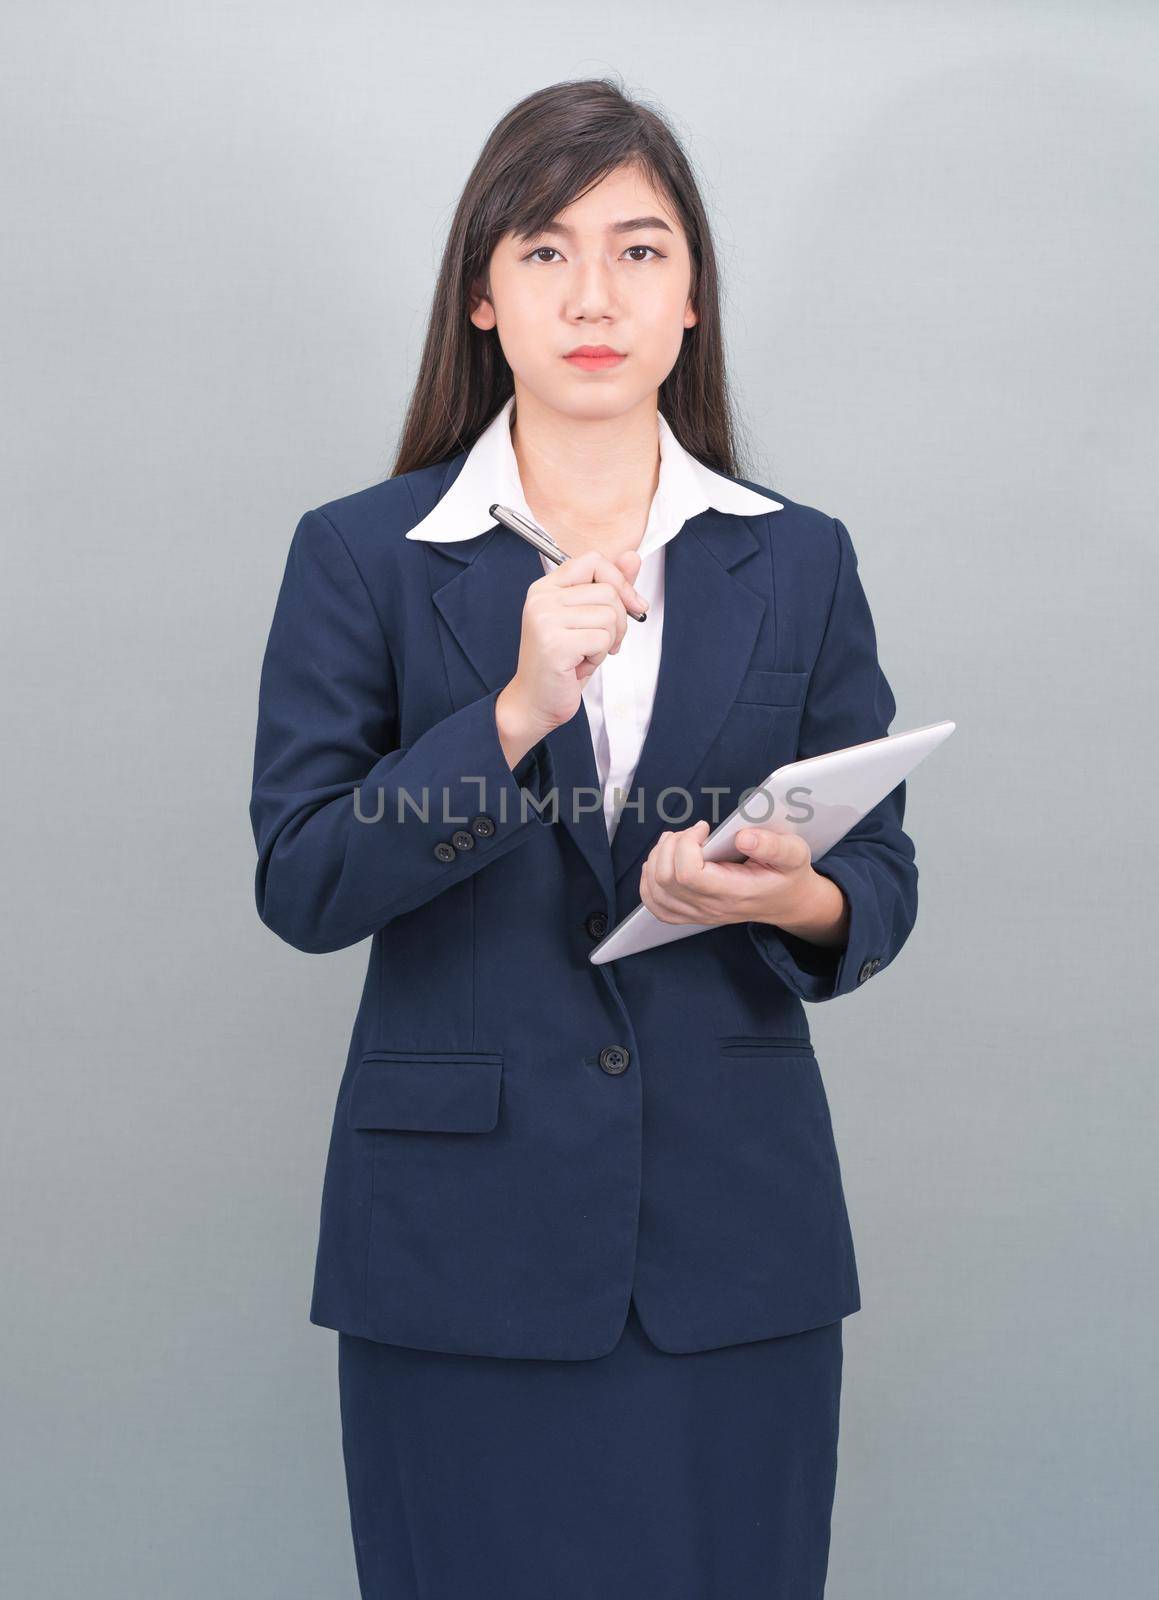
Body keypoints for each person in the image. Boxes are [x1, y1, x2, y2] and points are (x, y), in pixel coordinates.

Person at [249, 76, 919, 1600]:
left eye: (640, 250)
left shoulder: (797, 561)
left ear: (693, 300)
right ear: (482, 296)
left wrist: (797, 895)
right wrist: (507, 720)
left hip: (733, 1242)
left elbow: (881, 879)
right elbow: (301, 874)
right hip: (458, 1253)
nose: (594, 294)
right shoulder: (362, 554)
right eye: (545, 252)